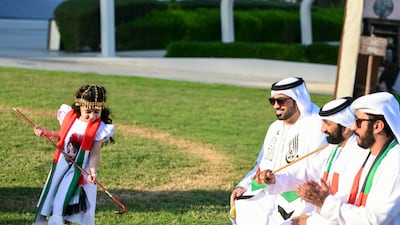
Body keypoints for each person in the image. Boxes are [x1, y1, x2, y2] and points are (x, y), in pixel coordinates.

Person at [229, 77, 327, 225]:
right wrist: (243, 184)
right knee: (243, 205)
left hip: (298, 196)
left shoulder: (316, 126)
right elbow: (261, 164)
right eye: (272, 101)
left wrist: (279, 180)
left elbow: (315, 172)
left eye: (281, 101)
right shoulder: (275, 127)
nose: (276, 106)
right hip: (267, 190)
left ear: (297, 99)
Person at [258, 97, 369, 225]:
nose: (322, 129)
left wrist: (311, 221)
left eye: (327, 123)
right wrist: (276, 178)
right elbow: (306, 172)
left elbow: (345, 204)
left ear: (345, 127)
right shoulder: (332, 149)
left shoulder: (358, 156)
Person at [296, 92, 400, 225]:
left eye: (358, 121)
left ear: (378, 126)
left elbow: (376, 220)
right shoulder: (371, 154)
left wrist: (324, 203)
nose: (353, 127)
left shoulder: (395, 162)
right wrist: (323, 198)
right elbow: (352, 200)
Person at [32, 84, 115, 225]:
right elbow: (63, 135)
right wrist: (47, 133)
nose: (92, 116)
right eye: (88, 111)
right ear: (79, 106)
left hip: (80, 172)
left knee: (66, 198)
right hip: (61, 166)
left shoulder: (99, 128)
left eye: (97, 111)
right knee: (54, 193)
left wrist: (93, 172)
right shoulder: (70, 117)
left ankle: (59, 221)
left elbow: (95, 153)